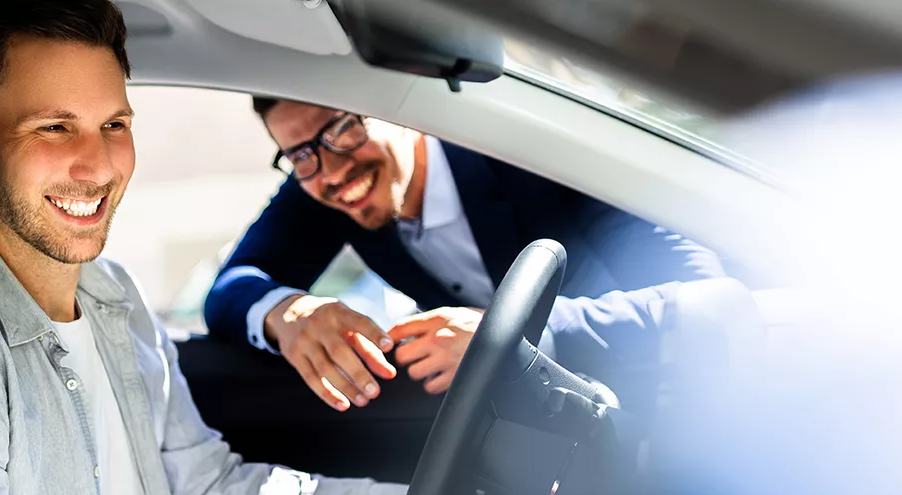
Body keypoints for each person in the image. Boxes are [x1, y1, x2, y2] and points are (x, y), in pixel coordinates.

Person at [0, 1, 407, 495]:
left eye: (113, 123)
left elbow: (207, 483)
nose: (97, 166)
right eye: (54, 128)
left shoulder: (113, 291)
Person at [203, 100, 726, 410]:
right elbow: (229, 288)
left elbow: (697, 293)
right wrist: (287, 313)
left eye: (343, 127)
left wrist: (506, 340)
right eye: (300, 154)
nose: (333, 171)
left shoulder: (524, 152)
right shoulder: (318, 185)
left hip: (675, 400)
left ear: (394, 106)